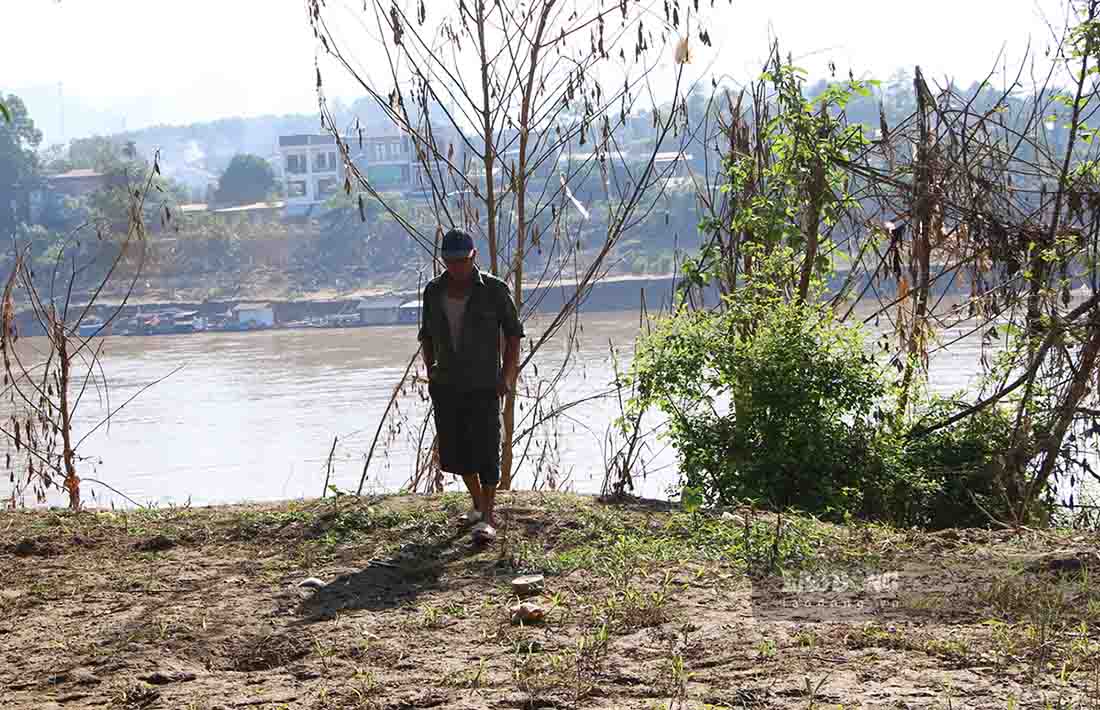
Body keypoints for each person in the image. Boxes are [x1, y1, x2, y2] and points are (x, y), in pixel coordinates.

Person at [418, 228, 524, 542]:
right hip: (448, 384)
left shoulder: (494, 290)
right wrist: (431, 370)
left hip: (485, 384)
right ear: (443, 260)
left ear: (473, 256)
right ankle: (478, 505)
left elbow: (514, 334)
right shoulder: (433, 291)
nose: (457, 268)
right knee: (457, 449)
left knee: (488, 448)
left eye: (462, 261)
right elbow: (426, 335)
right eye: (450, 262)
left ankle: (489, 517)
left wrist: (507, 377)